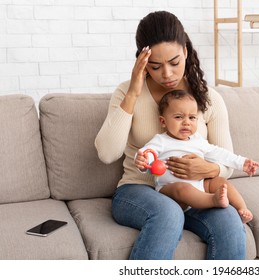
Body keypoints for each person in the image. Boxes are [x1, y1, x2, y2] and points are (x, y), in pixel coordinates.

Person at [95, 10, 246, 260]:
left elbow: (226, 163)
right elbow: (107, 153)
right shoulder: (127, 92)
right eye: (155, 66)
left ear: (186, 51)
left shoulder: (208, 99)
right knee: (168, 213)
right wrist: (133, 92)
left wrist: (206, 170)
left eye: (174, 63)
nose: (167, 74)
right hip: (139, 191)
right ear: (143, 62)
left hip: (196, 193)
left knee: (229, 221)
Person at [135, 90, 259, 223]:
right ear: (163, 121)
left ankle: (242, 209)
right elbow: (147, 152)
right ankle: (213, 200)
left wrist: (242, 163)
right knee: (182, 188)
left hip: (200, 186)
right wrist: (143, 160)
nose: (186, 122)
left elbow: (219, 154)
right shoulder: (161, 140)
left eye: (192, 117)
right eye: (178, 117)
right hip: (171, 190)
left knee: (220, 182)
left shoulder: (197, 140)